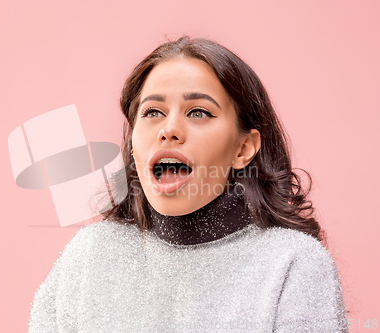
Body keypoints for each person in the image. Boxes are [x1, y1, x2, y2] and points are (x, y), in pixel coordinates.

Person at [28, 36, 349, 332]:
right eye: (152, 111)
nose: (169, 129)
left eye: (198, 112)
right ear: (131, 144)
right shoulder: (89, 255)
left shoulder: (294, 264)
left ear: (243, 148)